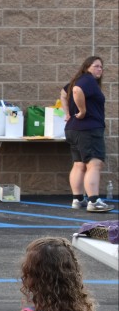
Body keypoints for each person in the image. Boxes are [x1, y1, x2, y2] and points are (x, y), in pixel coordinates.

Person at [60, 56, 112, 212]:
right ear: (87, 67)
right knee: (94, 164)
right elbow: (76, 91)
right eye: (96, 66)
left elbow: (64, 93)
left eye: (101, 67)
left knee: (79, 164)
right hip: (88, 129)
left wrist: (68, 113)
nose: (99, 69)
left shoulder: (78, 80)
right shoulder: (87, 80)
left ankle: (77, 200)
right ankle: (94, 201)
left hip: (73, 129)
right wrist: (82, 111)